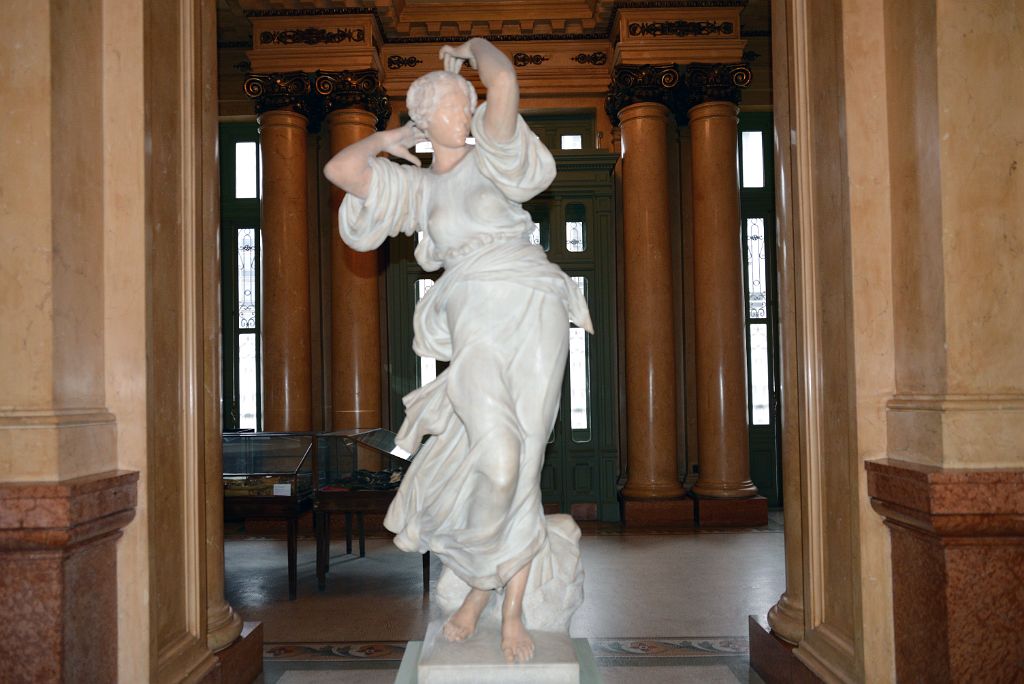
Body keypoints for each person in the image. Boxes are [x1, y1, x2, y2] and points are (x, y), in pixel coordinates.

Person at [324, 37, 591, 664]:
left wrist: (472, 48)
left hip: (534, 299)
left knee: (524, 461)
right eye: (451, 104)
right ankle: (480, 584)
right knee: (496, 458)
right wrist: (384, 140)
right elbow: (342, 171)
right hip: (472, 308)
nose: (465, 111)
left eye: (466, 103)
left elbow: (504, 84)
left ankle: (503, 606)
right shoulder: (415, 189)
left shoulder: (492, 157)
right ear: (424, 119)